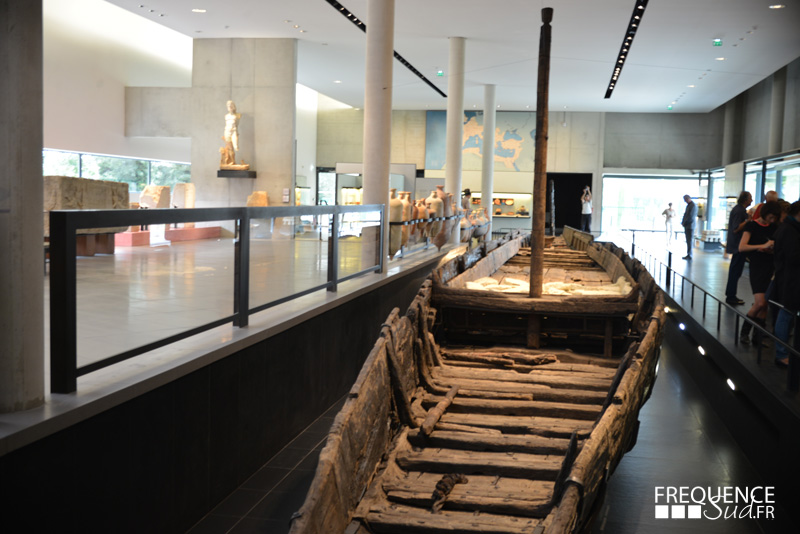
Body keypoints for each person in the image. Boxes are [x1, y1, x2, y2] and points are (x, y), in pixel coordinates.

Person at [738, 201, 781, 345]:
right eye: (771, 216)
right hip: (757, 267)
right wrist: (761, 246)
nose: (772, 220)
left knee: (765, 304)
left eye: (775, 217)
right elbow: (742, 247)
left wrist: (770, 249)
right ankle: (744, 332)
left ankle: (757, 336)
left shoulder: (774, 227)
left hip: (770, 266)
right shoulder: (752, 225)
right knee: (760, 302)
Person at [772, 200, 800, 367]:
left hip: (790, 280)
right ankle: (781, 354)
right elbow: (793, 257)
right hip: (791, 281)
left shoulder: (789, 229)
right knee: (786, 314)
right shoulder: (790, 231)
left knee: (787, 313)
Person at [724, 191, 753, 305]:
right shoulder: (739, 211)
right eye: (750, 198)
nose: (751, 200)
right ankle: (731, 296)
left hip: (737, 245)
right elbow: (736, 228)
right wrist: (748, 221)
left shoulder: (739, 210)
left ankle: (731, 294)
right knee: (735, 272)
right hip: (738, 246)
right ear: (745, 199)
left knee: (735, 272)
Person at [222, 100, 241, 166]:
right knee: (230, 148)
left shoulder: (237, 115)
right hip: (227, 132)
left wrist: (236, 133)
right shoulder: (226, 116)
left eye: (231, 105)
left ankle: (233, 161)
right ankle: (232, 161)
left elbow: (237, 124)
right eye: (228, 105)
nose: (229, 106)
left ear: (234, 106)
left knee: (236, 146)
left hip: (234, 131)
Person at [681, 195, 698, 260]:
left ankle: (690, 255)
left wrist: (684, 223)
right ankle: (688, 254)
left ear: (688, 199)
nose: (684, 201)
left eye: (685, 199)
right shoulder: (689, 205)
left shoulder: (693, 206)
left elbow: (691, 217)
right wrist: (683, 222)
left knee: (689, 240)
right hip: (687, 225)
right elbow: (686, 215)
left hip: (690, 226)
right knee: (688, 241)